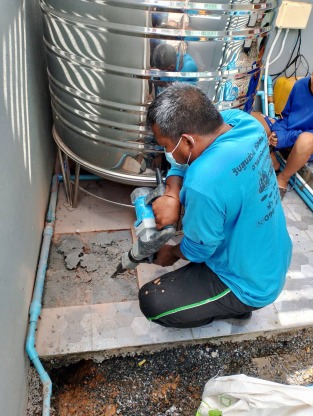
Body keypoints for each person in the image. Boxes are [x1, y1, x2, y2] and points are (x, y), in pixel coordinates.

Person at [138, 83, 292, 329]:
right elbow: (184, 160)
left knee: (153, 302)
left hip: (249, 283)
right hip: (273, 255)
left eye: (166, 146)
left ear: (187, 141)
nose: (167, 153)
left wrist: (171, 252)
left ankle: (237, 309)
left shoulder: (203, 182)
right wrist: (172, 194)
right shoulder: (243, 123)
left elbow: (199, 251)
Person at [252, 73, 313, 199]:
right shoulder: (301, 84)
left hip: (305, 145)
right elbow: (285, 118)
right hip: (288, 134)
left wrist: (285, 138)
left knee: (306, 140)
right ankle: (273, 161)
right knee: (250, 118)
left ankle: (283, 178)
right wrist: (278, 134)